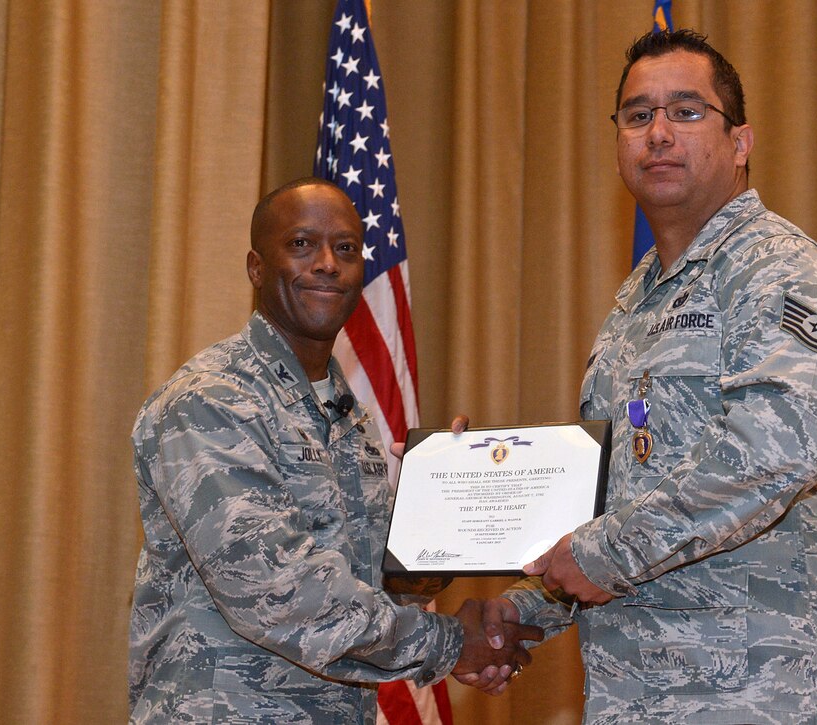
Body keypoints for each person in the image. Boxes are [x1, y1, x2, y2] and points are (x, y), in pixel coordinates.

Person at [468, 29, 817, 723]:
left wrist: (601, 553)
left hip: (763, 698)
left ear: (740, 142)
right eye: (638, 115)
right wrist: (525, 606)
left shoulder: (783, 271)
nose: (658, 132)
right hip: (636, 697)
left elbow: (773, 452)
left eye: (686, 111)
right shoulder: (636, 303)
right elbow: (615, 501)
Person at [128, 178, 539, 723]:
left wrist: (438, 511)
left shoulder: (347, 415)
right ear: (256, 268)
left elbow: (377, 586)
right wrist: (451, 643)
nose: (327, 264)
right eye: (302, 244)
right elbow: (276, 592)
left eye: (345, 248)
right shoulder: (211, 400)